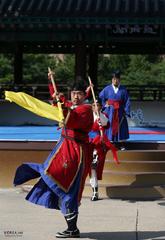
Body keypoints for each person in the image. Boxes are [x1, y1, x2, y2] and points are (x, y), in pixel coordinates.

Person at [12, 82, 94, 238]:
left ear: (85, 96)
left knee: (67, 186)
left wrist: (61, 103)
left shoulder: (86, 110)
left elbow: (71, 118)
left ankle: (72, 229)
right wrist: (53, 88)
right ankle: (72, 228)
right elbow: (63, 107)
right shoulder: (73, 106)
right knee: (56, 179)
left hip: (74, 152)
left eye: (79, 94)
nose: (76, 96)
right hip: (63, 148)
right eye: (74, 93)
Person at [89, 99, 119, 201]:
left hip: (98, 143)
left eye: (97, 105)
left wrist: (99, 116)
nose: (95, 107)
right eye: (93, 105)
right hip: (86, 142)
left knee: (93, 168)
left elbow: (105, 124)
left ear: (101, 107)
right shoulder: (87, 116)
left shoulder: (104, 116)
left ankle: (95, 192)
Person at [99, 70, 131, 148]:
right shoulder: (107, 89)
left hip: (120, 111)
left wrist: (126, 111)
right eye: (113, 79)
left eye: (117, 79)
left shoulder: (123, 89)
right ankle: (110, 143)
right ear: (111, 80)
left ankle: (121, 144)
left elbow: (127, 101)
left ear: (119, 79)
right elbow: (101, 97)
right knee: (109, 125)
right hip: (110, 111)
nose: (115, 81)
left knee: (121, 126)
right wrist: (104, 106)